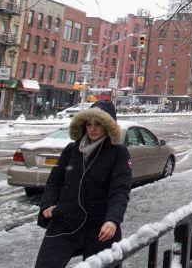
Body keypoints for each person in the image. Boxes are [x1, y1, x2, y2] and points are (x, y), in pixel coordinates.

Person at [35, 100, 132, 268]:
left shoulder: (118, 153)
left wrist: (113, 220)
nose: (93, 129)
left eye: (98, 124)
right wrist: (48, 204)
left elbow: (120, 190)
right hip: (65, 221)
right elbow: (54, 182)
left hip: (100, 226)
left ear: (108, 126)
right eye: (89, 123)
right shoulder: (71, 150)